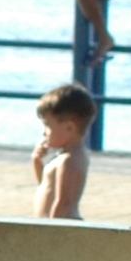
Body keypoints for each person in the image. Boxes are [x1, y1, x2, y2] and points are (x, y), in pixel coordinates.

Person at [34, 82, 96, 220]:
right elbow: (46, 187)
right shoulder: (65, 157)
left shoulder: (69, 160)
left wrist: (55, 234)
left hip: (59, 231)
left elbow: (64, 205)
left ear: (69, 127)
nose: (44, 133)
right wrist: (38, 162)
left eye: (47, 125)